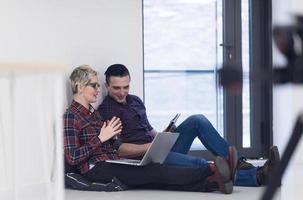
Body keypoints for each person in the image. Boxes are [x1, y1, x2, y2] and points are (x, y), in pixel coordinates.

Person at [63, 65, 238, 194]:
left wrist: (161, 137)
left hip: (114, 160)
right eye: (94, 85)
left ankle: (217, 178)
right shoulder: (72, 116)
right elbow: (72, 158)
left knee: (195, 122)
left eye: (97, 85)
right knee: (155, 172)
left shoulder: (94, 114)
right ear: (79, 87)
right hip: (98, 167)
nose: (97, 89)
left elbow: (114, 144)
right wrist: (102, 138)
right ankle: (215, 173)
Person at [98, 63, 281, 187]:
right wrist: (151, 146)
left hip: (158, 148)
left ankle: (239, 164)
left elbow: (148, 130)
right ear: (107, 86)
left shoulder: (135, 101)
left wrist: (163, 135)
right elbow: (119, 150)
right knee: (200, 163)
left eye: (126, 87)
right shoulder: (106, 110)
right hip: (146, 158)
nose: (122, 92)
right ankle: (258, 176)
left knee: (197, 119)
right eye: (117, 88)